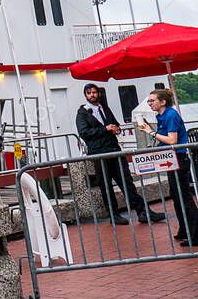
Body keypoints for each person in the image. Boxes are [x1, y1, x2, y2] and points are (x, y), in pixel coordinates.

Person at [74, 84, 165, 225]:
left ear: (98, 94)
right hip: (98, 153)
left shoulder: (105, 108)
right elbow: (84, 133)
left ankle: (143, 212)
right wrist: (106, 129)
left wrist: (116, 129)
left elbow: (115, 123)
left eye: (94, 92)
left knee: (126, 181)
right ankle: (114, 215)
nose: (92, 95)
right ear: (85, 95)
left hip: (114, 149)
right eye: (89, 93)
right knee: (106, 185)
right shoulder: (82, 113)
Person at [138, 89, 198, 246]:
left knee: (183, 196)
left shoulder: (170, 115)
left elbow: (172, 140)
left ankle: (195, 233)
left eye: (153, 100)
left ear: (162, 102)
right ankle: (185, 229)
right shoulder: (162, 116)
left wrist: (150, 132)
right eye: (149, 101)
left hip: (178, 157)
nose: (150, 103)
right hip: (172, 158)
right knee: (176, 194)